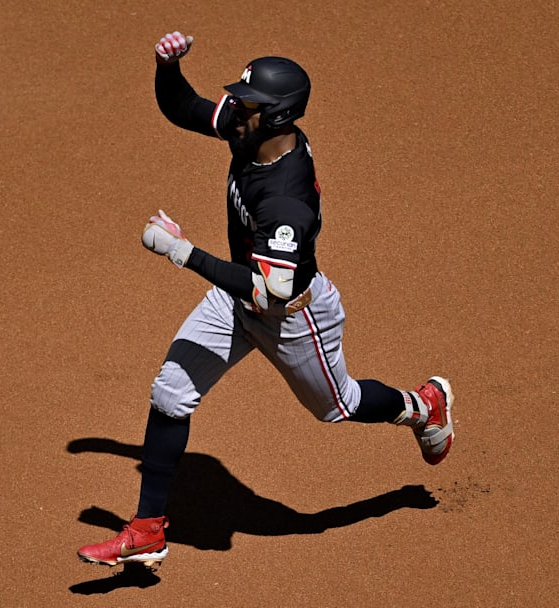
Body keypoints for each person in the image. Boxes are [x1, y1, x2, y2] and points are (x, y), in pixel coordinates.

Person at [77, 31, 454, 568]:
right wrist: (166, 66)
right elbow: (182, 107)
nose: (234, 107)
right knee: (170, 393)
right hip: (237, 296)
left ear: (275, 117)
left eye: (247, 104)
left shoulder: (285, 201)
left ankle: (422, 406)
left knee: (338, 406)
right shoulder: (250, 130)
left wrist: (182, 252)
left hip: (290, 314)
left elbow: (268, 290)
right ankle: (148, 529)